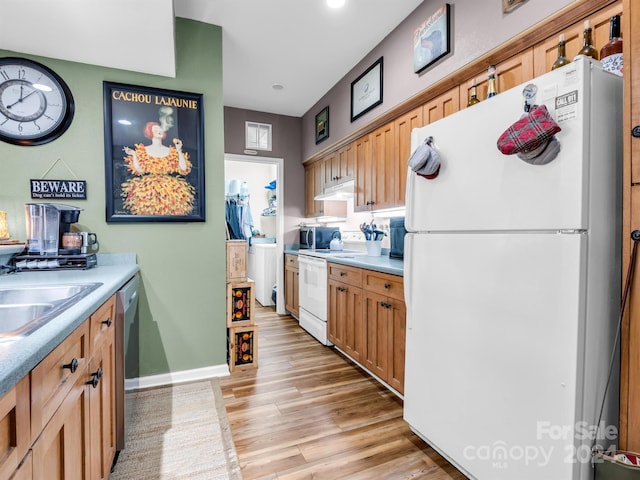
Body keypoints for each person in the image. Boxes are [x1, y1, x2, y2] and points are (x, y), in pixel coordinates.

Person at [121, 119, 195, 216]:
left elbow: (184, 169)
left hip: (170, 190)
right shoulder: (143, 151)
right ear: (150, 132)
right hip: (148, 190)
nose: (159, 131)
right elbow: (139, 170)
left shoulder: (172, 151)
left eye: (160, 129)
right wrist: (134, 154)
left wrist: (179, 150)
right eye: (155, 129)